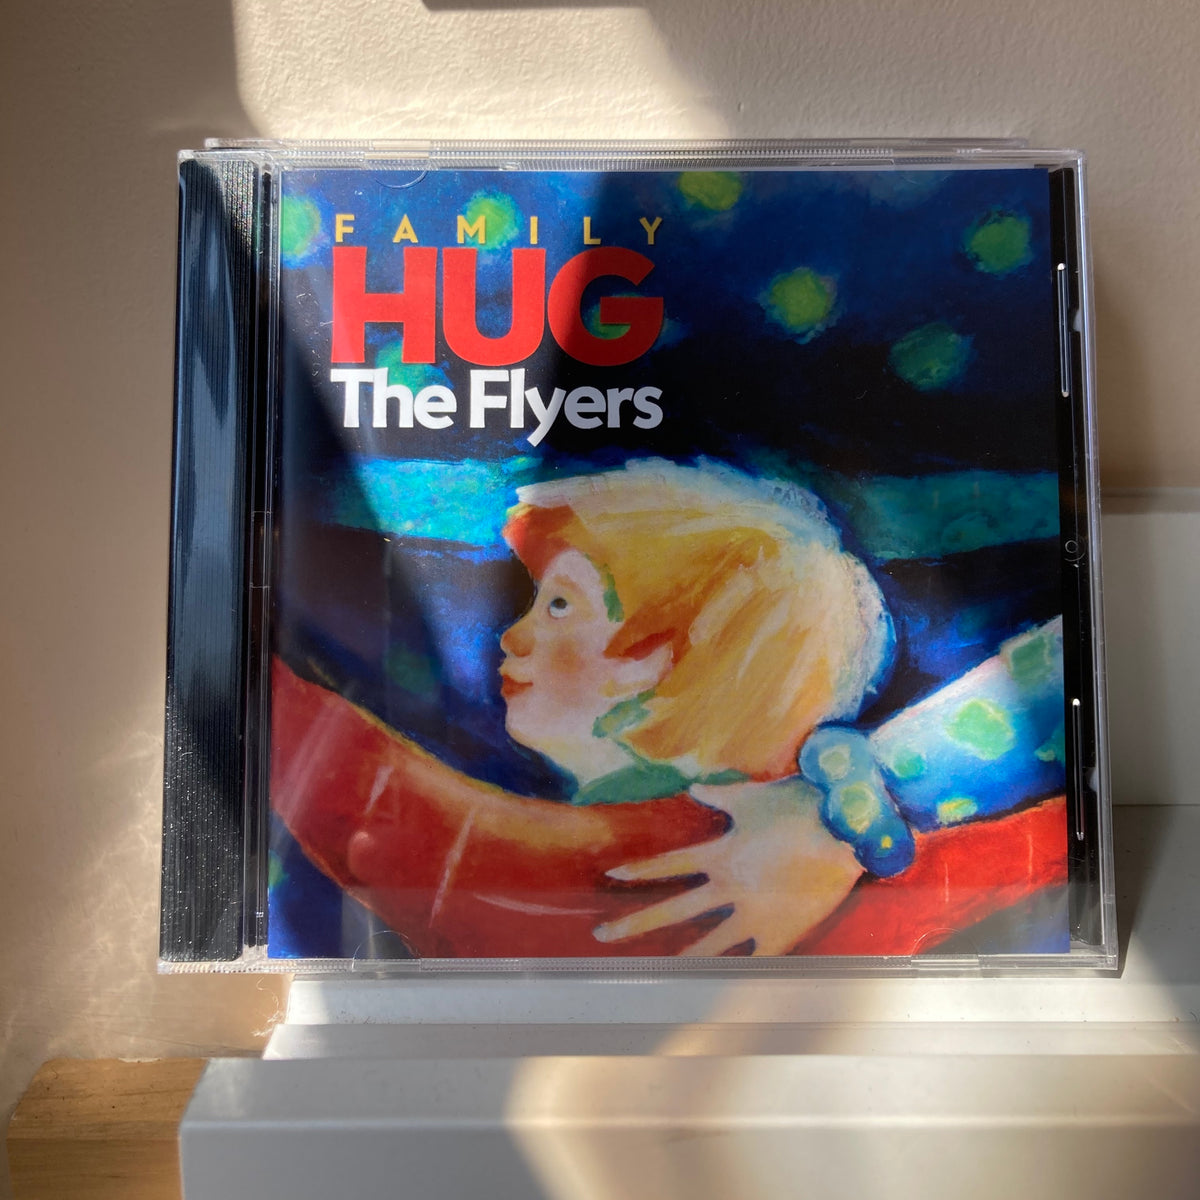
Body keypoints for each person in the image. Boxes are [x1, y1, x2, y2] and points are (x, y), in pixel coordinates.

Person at [271, 460, 1067, 959]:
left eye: (558, 606)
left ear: (662, 656)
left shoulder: (733, 853)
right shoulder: (815, 826)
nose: (512, 637)